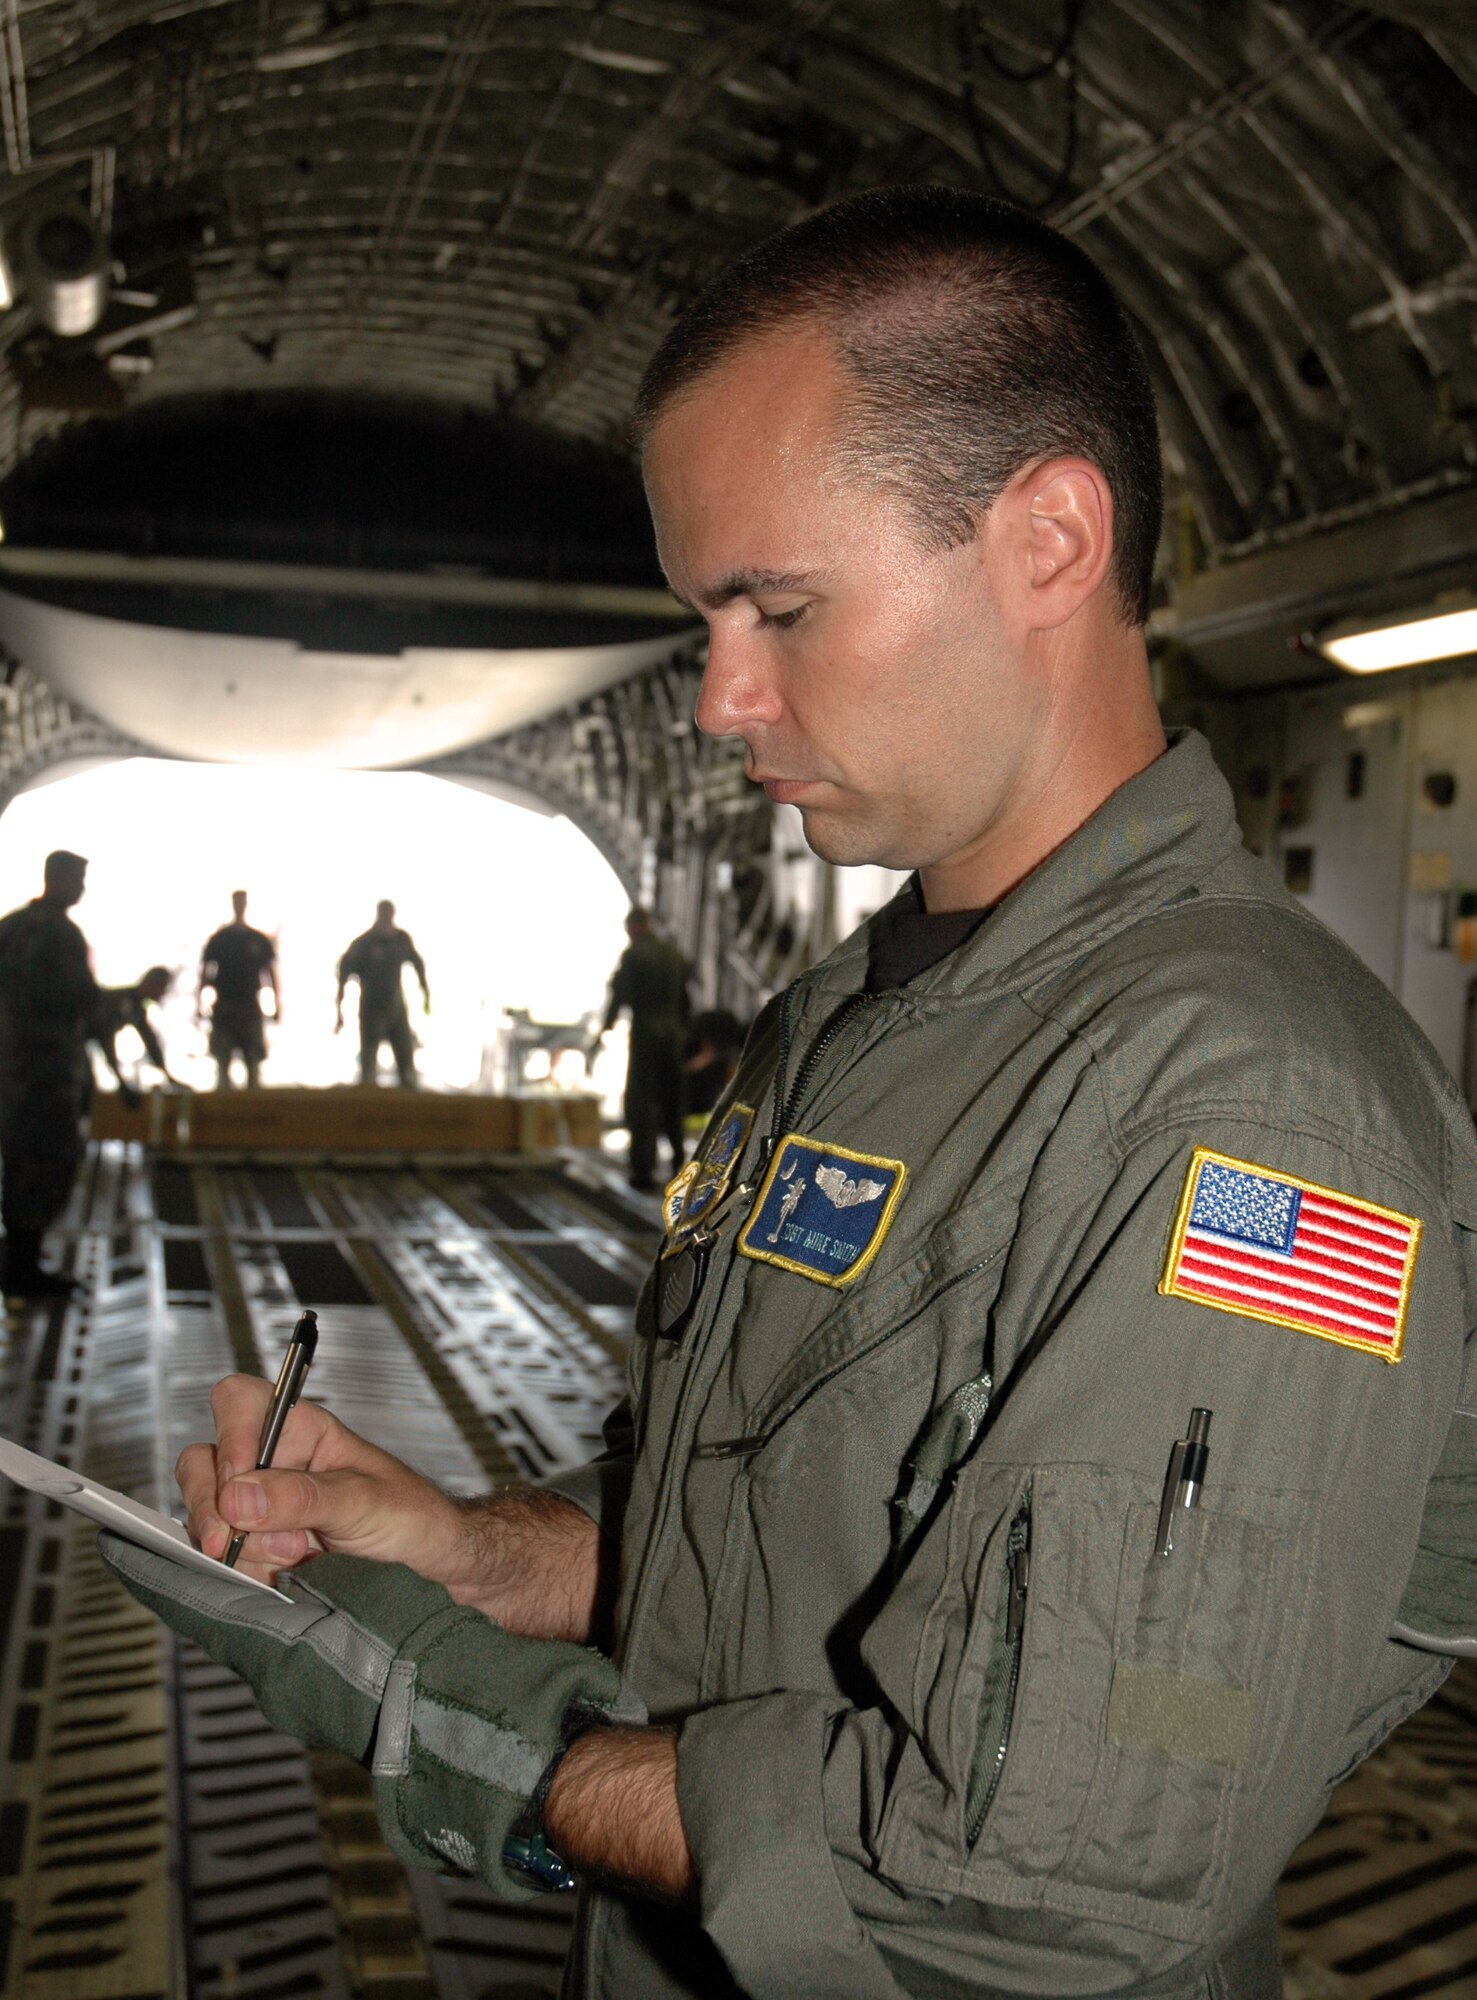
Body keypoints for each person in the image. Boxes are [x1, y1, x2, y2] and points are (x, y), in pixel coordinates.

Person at [111, 188, 1477, 2000]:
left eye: (779, 605)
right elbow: (795, 1553)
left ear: (1049, 539)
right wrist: (476, 1553)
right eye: (703, 618)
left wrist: (461, 1724)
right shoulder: (847, 1024)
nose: (716, 699)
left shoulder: (1245, 1123)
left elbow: (1026, 1882)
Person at [0, 849, 97, 1295]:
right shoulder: (59, 936)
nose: (81, 887)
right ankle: (23, 1267)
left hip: (13, 1072)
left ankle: (19, 1260)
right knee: (44, 1167)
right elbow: (78, 1000)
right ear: (56, 878)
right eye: (78, 879)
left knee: (20, 1166)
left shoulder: (11, 928)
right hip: (44, 1075)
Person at [602, 907, 690, 1190]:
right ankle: (679, 1163)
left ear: (632, 928)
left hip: (645, 1036)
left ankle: (643, 1169)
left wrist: (606, 1027)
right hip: (672, 1036)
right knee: (672, 1102)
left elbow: (620, 995)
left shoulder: (633, 955)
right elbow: (685, 998)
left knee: (641, 1104)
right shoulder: (673, 954)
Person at [335, 900, 430, 1088]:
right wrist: (339, 1011)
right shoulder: (364, 943)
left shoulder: (401, 939)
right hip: (371, 1008)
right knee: (368, 1064)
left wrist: (426, 995)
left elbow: (418, 965)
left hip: (396, 1007)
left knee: (405, 1061)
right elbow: (343, 973)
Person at [197, 891, 278, 1089]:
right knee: (222, 1062)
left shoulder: (257, 940)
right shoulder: (220, 940)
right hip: (225, 1005)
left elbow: (269, 974)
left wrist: (276, 1006)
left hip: (249, 1005)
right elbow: (206, 973)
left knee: (253, 1062)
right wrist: (199, 1004)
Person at [92, 966, 182, 1104]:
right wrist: (121, 1083)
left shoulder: (134, 1004)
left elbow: (149, 1041)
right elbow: (105, 1038)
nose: (163, 993)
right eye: (163, 988)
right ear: (152, 985)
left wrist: (166, 1074)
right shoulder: (123, 1002)